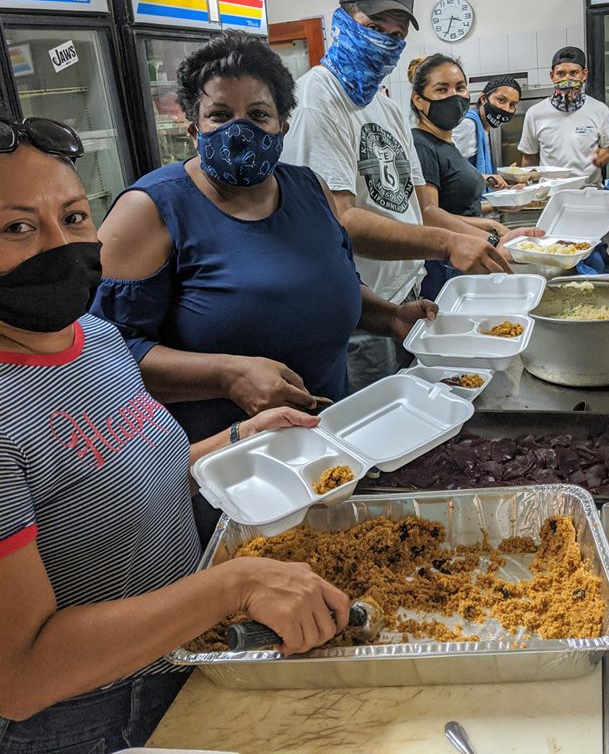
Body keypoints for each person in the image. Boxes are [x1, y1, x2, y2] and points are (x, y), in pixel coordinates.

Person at [0, 117, 350, 754]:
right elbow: (21, 677)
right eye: (16, 228)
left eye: (74, 217)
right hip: (86, 716)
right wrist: (233, 585)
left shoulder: (95, 339)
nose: (59, 244)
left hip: (185, 657)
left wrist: (240, 437)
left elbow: (114, 479)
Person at [91, 32, 435, 541]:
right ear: (192, 127)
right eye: (219, 115)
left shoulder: (310, 189)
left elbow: (325, 287)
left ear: (282, 126)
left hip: (328, 452)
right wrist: (228, 375)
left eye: (258, 114)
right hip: (224, 476)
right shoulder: (151, 210)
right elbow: (104, 362)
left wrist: (389, 316)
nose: (240, 129)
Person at [282, 0, 536, 385]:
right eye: (374, 26)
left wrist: (491, 241)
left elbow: (423, 210)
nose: (386, 40)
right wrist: (448, 245)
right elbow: (339, 221)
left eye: (397, 34)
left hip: (407, 299)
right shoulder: (315, 102)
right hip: (360, 313)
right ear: (342, 21)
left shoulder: (385, 107)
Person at [409, 57, 539, 298]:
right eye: (442, 89)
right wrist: (491, 236)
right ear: (418, 100)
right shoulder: (421, 145)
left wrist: (493, 218)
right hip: (447, 264)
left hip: (466, 257)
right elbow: (429, 215)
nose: (454, 96)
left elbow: (457, 203)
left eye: (460, 87)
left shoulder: (445, 145)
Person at [518, 46, 609, 185]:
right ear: (552, 76)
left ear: (584, 75)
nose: (567, 79)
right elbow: (529, 158)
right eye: (561, 74)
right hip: (550, 192)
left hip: (589, 190)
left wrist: (608, 152)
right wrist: (524, 184)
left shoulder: (599, 110)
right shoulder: (535, 113)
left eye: (574, 73)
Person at [453, 75, 523, 189]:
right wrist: (485, 179)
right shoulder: (468, 125)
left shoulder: (482, 127)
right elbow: (448, 170)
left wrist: (502, 178)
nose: (506, 109)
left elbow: (473, 171)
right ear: (483, 99)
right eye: (501, 100)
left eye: (512, 105)